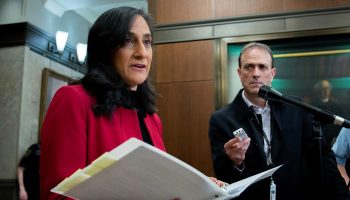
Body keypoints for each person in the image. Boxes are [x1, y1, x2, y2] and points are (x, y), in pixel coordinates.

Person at [40, 7, 225, 200]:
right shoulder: (73, 99)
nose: (142, 53)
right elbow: (57, 195)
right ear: (106, 49)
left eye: (147, 42)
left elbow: (156, 188)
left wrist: (193, 190)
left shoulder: (152, 118)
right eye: (128, 41)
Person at [208, 42, 347, 200]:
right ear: (239, 73)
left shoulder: (296, 109)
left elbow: (324, 161)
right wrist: (236, 163)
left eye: (262, 67)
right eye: (249, 67)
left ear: (272, 73)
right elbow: (222, 178)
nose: (256, 73)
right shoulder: (222, 120)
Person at [311, 79, 342, 146]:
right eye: (322, 88)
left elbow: (339, 123)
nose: (325, 91)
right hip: (318, 137)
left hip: (333, 137)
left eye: (327, 88)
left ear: (330, 90)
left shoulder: (336, 104)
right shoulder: (312, 105)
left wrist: (336, 136)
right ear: (318, 90)